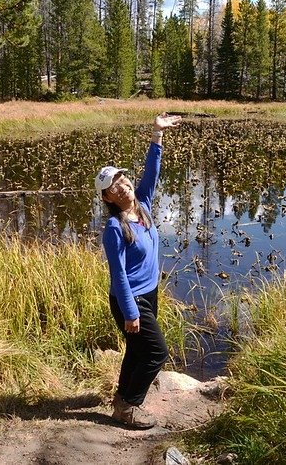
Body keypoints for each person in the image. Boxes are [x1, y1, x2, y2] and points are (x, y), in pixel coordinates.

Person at [95, 112, 182, 429]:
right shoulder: (114, 228)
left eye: (121, 179)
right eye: (112, 186)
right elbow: (118, 275)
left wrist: (157, 134)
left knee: (136, 350)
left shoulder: (142, 205)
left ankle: (121, 399)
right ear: (106, 197)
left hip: (149, 293)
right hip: (129, 299)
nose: (121, 186)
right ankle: (130, 407)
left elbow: (152, 173)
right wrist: (131, 312)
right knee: (157, 353)